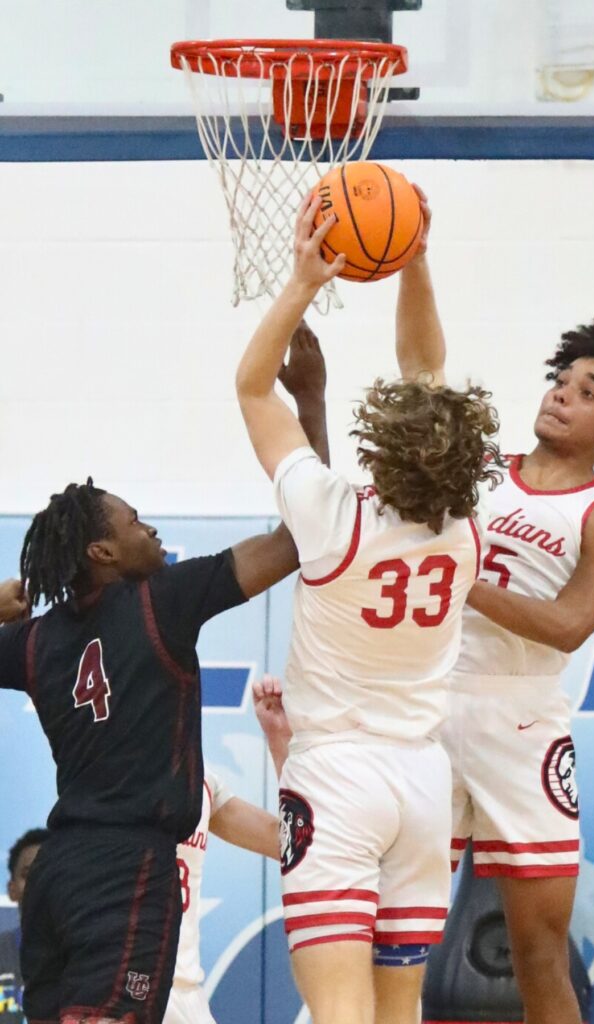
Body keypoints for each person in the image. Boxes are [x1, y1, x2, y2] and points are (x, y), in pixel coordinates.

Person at [0, 331, 328, 1024]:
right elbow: (303, 536)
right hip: (127, 870)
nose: (151, 532)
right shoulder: (161, 601)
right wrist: (311, 402)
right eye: (136, 522)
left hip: (57, 872)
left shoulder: (33, 642)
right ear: (102, 551)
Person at [235, 192, 501, 1024]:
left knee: (339, 1011)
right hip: (422, 784)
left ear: (380, 450)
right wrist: (413, 261)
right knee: (396, 1012)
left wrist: (302, 283)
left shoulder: (332, 517)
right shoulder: (466, 533)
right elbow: (427, 372)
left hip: (338, 776)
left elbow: (252, 389)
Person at [420, 317, 594, 1024]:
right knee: (394, 935)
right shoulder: (476, 471)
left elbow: (569, 624)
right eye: (561, 381)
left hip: (521, 718)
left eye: (587, 391)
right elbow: (422, 368)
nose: (562, 394)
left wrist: (463, 581)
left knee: (537, 951)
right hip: (429, 705)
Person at [164, 765, 279, 1024]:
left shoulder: (202, 779)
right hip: (123, 985)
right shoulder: (106, 772)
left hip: (186, 991)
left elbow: (286, 841)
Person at [0, 829, 49, 1021]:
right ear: (12, 889)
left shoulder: (92, 959)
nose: (39, 882)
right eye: (28, 874)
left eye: (49, 872)